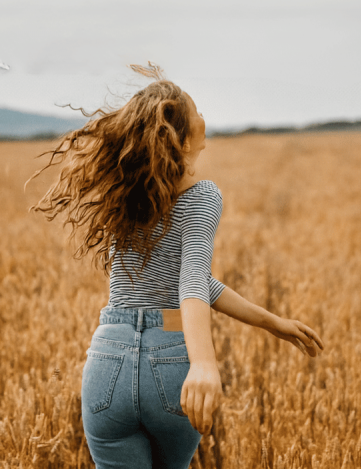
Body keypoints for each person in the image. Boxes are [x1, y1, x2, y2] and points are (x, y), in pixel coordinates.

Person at [29, 63, 325, 469]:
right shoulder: (202, 197)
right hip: (169, 366)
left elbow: (196, 280)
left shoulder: (131, 196)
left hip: (106, 361)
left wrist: (270, 321)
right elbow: (190, 282)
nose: (204, 117)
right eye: (197, 111)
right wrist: (203, 363)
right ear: (183, 138)